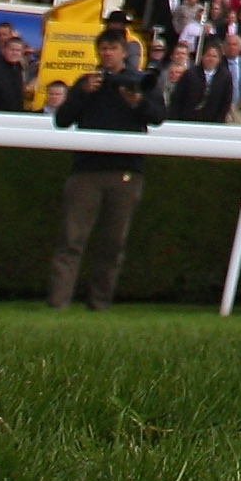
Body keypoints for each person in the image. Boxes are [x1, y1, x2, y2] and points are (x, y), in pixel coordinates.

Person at [47, 31, 162, 310]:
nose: (108, 54)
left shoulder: (139, 82)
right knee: (71, 240)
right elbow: (61, 120)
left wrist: (137, 102)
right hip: (86, 171)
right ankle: (58, 302)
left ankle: (100, 302)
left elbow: (158, 117)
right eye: (104, 49)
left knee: (113, 243)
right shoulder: (86, 83)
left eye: (113, 49)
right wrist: (82, 94)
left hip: (126, 171)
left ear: (124, 52)